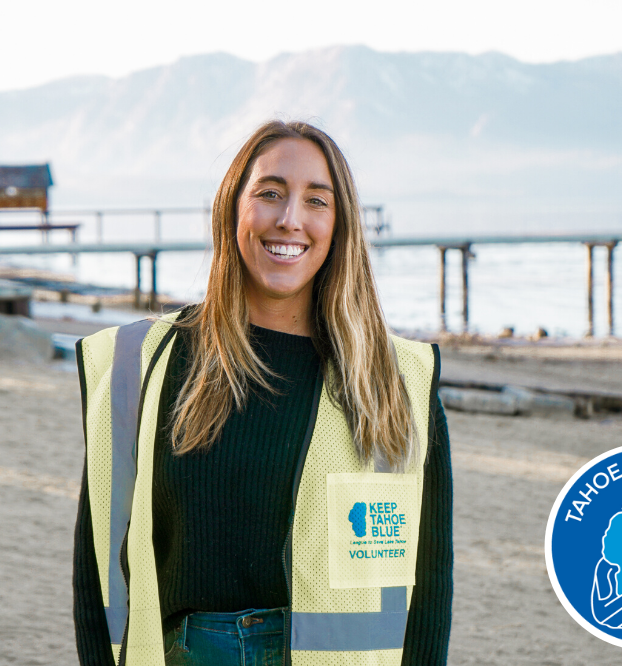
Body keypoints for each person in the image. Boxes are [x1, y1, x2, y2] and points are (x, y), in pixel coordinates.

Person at [73, 120, 453, 666]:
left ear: (339, 224)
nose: (290, 219)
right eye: (270, 193)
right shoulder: (144, 363)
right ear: (233, 208)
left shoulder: (398, 379)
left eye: (316, 201)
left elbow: (429, 584)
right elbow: (97, 572)